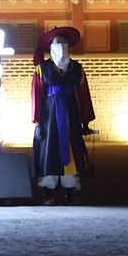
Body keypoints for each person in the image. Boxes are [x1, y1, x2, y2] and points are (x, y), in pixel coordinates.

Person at [31, 26, 95, 206]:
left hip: (70, 114)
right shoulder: (42, 69)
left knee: (72, 152)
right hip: (49, 115)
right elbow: (36, 96)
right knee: (49, 152)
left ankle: (71, 193)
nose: (62, 47)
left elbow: (84, 95)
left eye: (65, 43)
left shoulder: (77, 69)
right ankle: (48, 194)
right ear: (51, 47)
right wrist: (37, 122)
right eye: (58, 43)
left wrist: (85, 120)